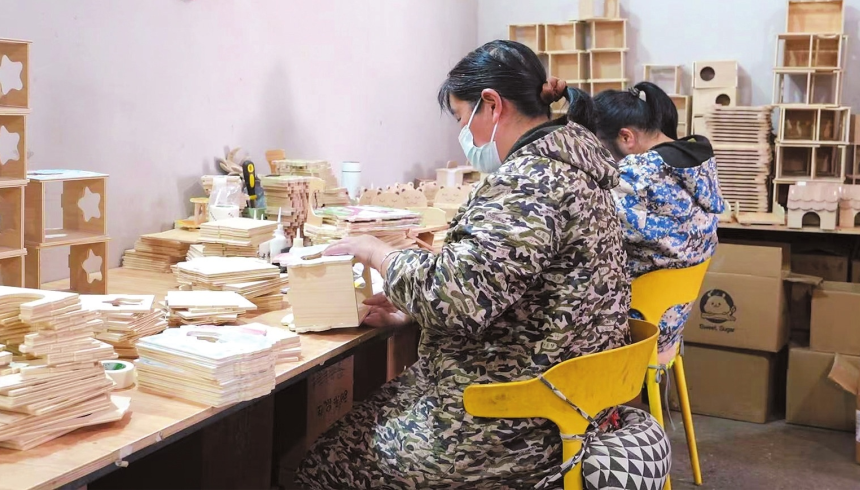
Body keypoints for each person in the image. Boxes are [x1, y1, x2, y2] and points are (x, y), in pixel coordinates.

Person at [294, 40, 631, 489]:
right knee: (372, 411)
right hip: (561, 398)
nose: (465, 135)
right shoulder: (574, 169)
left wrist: (378, 252)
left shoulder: (530, 182)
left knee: (321, 464)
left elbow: (458, 300)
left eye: (461, 118)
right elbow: (517, 290)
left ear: (491, 104)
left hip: (512, 425)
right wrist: (415, 308)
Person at [593, 81, 725, 364]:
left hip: (636, 332)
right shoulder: (697, 163)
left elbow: (589, 225)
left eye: (602, 149)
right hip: (670, 325)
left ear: (626, 137)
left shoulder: (636, 174)